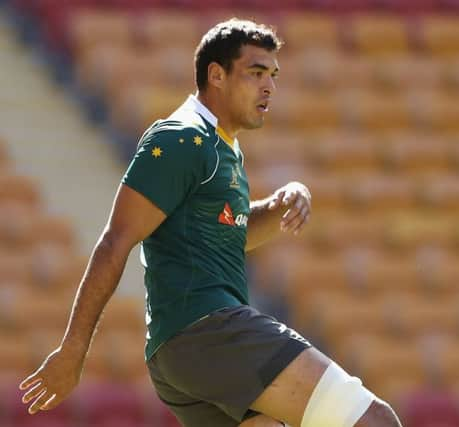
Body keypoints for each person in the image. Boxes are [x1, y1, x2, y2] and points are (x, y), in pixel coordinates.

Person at [19, 18, 403, 427]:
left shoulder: (223, 148)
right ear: (216, 75)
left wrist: (280, 203)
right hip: (209, 330)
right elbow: (115, 240)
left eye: (273, 75)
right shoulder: (182, 138)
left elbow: (231, 232)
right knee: (373, 419)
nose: (269, 86)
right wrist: (73, 350)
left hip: (181, 354)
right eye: (256, 73)